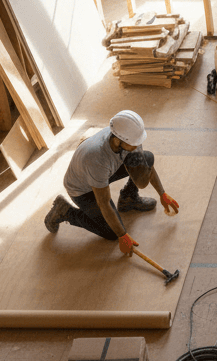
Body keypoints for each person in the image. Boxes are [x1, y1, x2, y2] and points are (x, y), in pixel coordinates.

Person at [44, 110, 179, 257]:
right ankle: (65, 211)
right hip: (82, 189)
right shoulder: (96, 158)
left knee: (147, 158)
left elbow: (147, 167)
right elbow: (104, 202)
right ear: (118, 140)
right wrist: (122, 235)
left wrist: (162, 193)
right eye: (133, 144)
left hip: (104, 172)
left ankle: (128, 199)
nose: (137, 146)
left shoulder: (128, 137)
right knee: (111, 232)